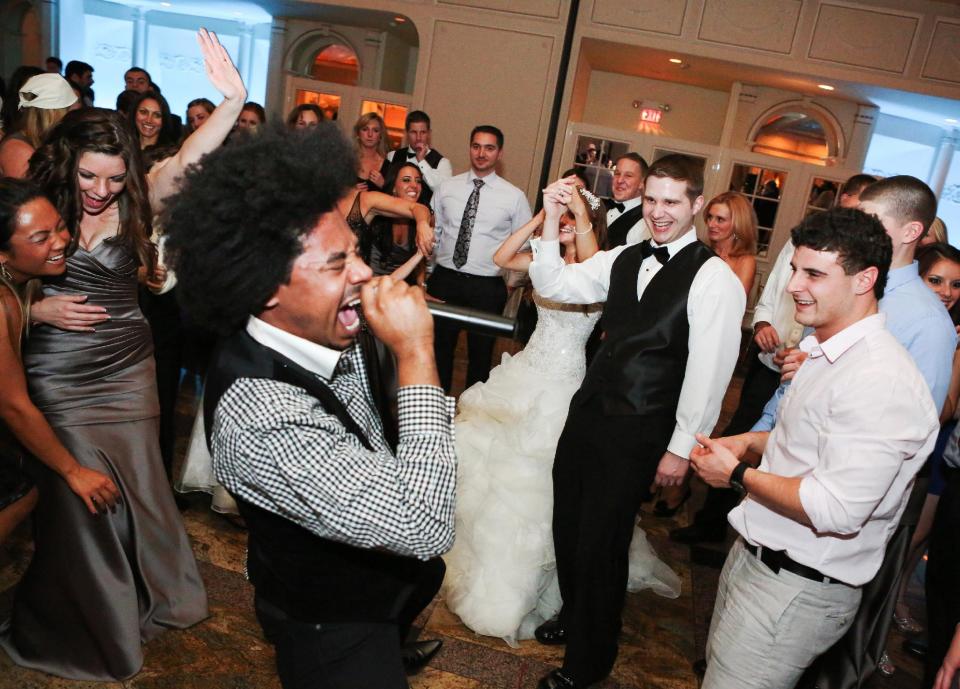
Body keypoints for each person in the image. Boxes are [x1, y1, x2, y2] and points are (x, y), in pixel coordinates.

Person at [162, 121, 455, 689]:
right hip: (333, 626)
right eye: (335, 264)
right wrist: (418, 353)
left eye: (355, 253)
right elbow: (422, 523)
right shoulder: (262, 416)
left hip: (372, 592)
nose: (365, 273)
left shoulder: (312, 328)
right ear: (266, 289)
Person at [0, 29, 243, 681]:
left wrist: (234, 98)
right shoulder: (38, 198)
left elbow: (192, 154)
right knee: (77, 491)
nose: (101, 190)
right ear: (68, 161)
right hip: (56, 365)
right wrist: (36, 306)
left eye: (113, 177)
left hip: (128, 364)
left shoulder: (142, 194)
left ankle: (150, 590)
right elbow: (6, 266)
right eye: (89, 176)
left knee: (137, 482)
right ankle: (87, 624)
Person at [691, 207, 939, 689]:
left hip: (796, 588)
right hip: (760, 560)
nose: (793, 286)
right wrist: (747, 442)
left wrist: (736, 476)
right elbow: (808, 440)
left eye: (814, 274)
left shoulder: (880, 380)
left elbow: (838, 508)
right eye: (794, 269)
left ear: (865, 278)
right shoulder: (828, 352)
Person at [528, 154, 745, 689]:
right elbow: (555, 284)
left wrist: (679, 449)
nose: (659, 211)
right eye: (651, 199)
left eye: (671, 201)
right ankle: (578, 617)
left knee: (603, 540)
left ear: (696, 203)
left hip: (641, 428)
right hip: (588, 415)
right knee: (570, 525)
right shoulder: (622, 256)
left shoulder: (714, 278)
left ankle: (589, 659)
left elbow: (708, 372)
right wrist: (550, 219)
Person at [443, 179, 683, 646]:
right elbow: (501, 260)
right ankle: (484, 565)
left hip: (564, 383)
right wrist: (542, 218)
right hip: (524, 371)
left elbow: (591, 257)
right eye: (566, 220)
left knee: (541, 486)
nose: (569, 226)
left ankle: (532, 586)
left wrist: (578, 211)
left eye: (577, 221)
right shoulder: (544, 259)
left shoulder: (598, 272)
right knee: (494, 474)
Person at [0, 179, 121, 545]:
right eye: (40, 238)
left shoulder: (19, 287)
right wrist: (74, 471)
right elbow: (14, 405)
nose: (60, 240)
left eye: (59, 226)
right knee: (19, 496)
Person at [427, 124, 533, 392]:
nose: (481, 153)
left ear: (500, 153)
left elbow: (525, 246)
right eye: (476, 146)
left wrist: (510, 284)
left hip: (486, 287)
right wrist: (426, 277)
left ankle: (469, 422)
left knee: (480, 359)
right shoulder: (446, 188)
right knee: (438, 354)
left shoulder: (514, 197)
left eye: (489, 147)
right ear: (470, 148)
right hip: (444, 281)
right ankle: (437, 416)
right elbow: (433, 234)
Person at [0, 73, 77, 178]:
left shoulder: (43, 139)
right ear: (54, 113)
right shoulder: (18, 149)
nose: (72, 114)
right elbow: (25, 193)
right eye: (68, 109)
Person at [383, 110, 452, 198]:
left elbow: (443, 192)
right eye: (414, 132)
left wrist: (422, 162)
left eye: (423, 132)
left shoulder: (442, 163)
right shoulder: (392, 156)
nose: (418, 138)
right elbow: (387, 191)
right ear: (407, 133)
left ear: (429, 134)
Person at [604, 152, 649, 248]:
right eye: (617, 173)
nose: (619, 180)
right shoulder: (601, 207)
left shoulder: (644, 222)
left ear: (642, 183)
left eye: (628, 175)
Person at [353, 111, 388, 192]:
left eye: (375, 130)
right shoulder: (345, 161)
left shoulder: (388, 167)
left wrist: (384, 185)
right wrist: (349, 193)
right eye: (365, 129)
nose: (370, 134)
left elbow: (395, 200)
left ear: (380, 136)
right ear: (358, 134)